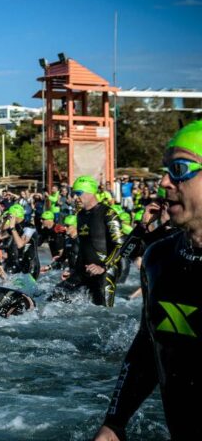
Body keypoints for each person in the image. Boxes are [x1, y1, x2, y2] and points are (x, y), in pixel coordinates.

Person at [94, 121, 202, 440]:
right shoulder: (159, 259)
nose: (164, 182)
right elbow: (148, 345)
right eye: (165, 170)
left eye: (180, 169)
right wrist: (114, 423)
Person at [50, 175, 124, 306]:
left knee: (103, 313)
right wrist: (74, 270)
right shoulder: (81, 215)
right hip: (84, 270)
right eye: (73, 194)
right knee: (55, 296)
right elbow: (83, 247)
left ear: (91, 192)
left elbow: (120, 245)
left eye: (78, 193)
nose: (74, 197)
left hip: (106, 270)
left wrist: (103, 266)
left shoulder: (108, 213)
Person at [0, 204, 41, 280]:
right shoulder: (16, 226)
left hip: (32, 265)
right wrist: (4, 221)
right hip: (21, 264)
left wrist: (12, 227)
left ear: (15, 215)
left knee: (26, 291)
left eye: (10, 216)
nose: (9, 218)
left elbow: (20, 244)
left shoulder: (29, 227)